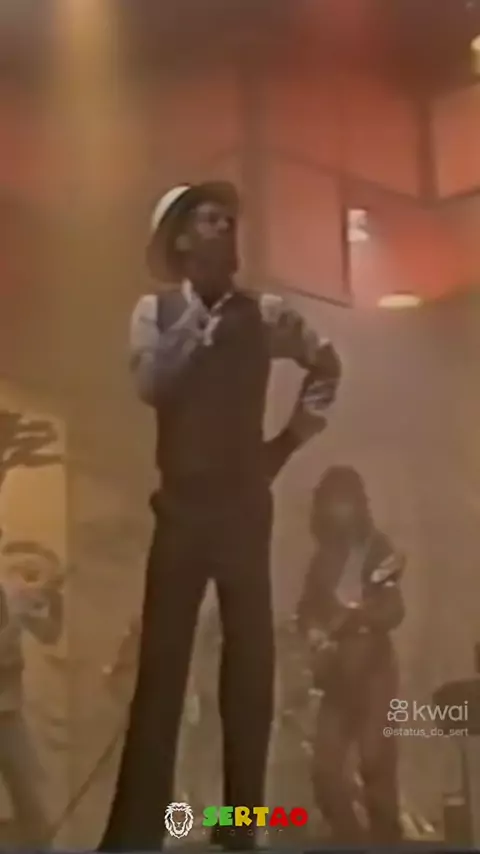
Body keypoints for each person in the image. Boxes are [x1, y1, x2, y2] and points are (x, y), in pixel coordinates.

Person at [99, 181, 342, 851]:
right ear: (181, 239)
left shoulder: (267, 314)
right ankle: (136, 833)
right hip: (181, 506)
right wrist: (197, 327)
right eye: (211, 220)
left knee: (250, 671)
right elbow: (152, 386)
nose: (227, 228)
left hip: (242, 508)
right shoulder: (154, 313)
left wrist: (286, 443)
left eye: (230, 219)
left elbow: (327, 364)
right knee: (162, 668)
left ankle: (241, 829)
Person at [296, 466, 405, 845]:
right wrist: (313, 629)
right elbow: (306, 608)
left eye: (344, 501)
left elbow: (393, 609)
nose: (338, 509)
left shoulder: (378, 548)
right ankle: (351, 842)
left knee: (376, 762)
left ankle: (386, 842)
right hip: (335, 675)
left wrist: (357, 617)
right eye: (331, 501)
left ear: (358, 504)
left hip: (374, 670)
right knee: (325, 771)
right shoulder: (323, 557)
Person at [0, 538, 64, 847]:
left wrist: (55, 598)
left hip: (8, 712)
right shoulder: (12, 597)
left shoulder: (14, 593)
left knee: (30, 792)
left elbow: (49, 634)